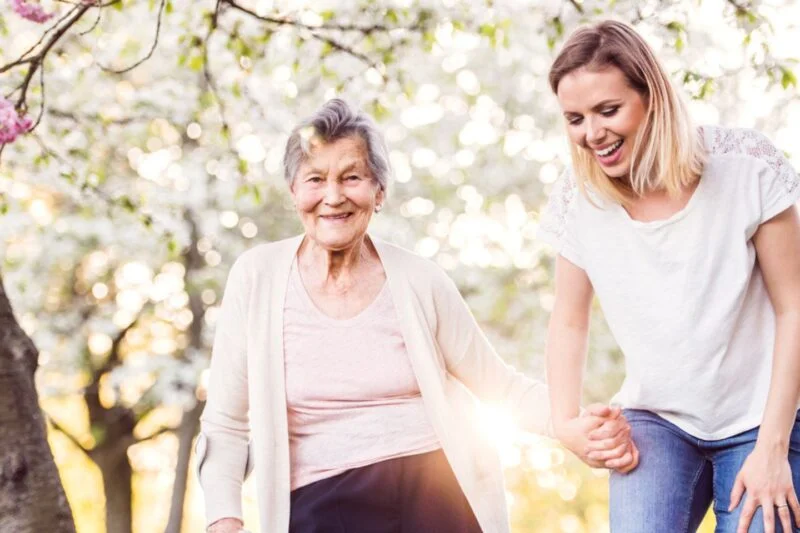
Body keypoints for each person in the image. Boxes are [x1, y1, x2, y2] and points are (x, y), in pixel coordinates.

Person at [195, 98, 635, 533]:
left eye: (352, 177)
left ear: (378, 192)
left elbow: (499, 385)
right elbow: (227, 424)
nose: (333, 197)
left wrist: (573, 424)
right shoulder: (257, 279)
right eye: (315, 179)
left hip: (435, 488)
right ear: (294, 191)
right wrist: (224, 520)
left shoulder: (420, 280)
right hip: (321, 498)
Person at [541, 19, 800, 533]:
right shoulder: (579, 198)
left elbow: (794, 305)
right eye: (575, 119)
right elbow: (569, 320)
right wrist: (565, 424)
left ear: (652, 96)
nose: (592, 133)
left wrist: (773, 449)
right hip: (657, 421)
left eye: (608, 110)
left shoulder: (746, 168)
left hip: (761, 419)